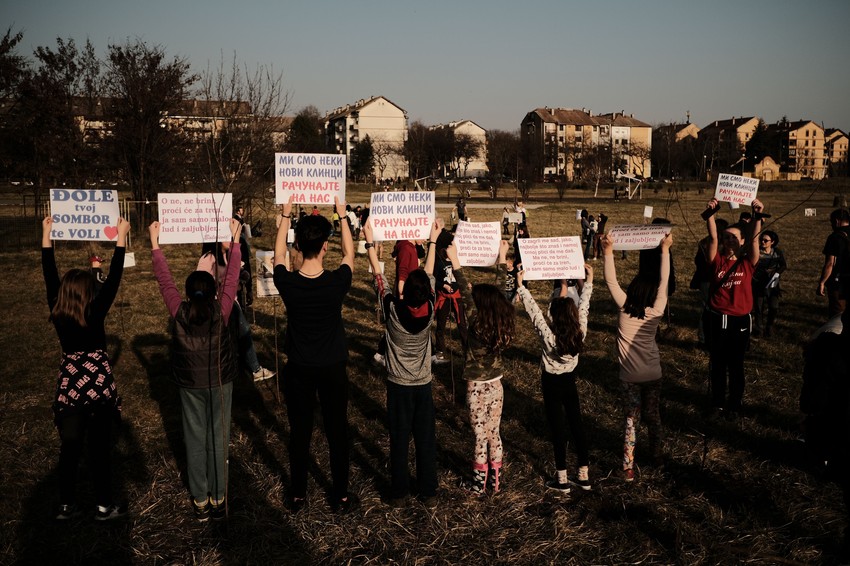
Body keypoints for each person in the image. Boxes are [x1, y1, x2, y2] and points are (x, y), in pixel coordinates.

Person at [150, 219, 242, 521]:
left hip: (190, 384)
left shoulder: (179, 311)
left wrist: (156, 245)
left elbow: (165, 282)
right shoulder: (222, 310)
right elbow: (232, 278)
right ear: (214, 291)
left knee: (194, 439)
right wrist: (236, 243)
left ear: (188, 294)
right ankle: (219, 497)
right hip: (220, 382)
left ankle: (200, 500)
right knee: (218, 439)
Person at [42, 215, 130, 521]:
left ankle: (66, 504)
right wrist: (120, 238)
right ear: (87, 293)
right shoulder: (96, 309)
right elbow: (115, 277)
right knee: (99, 449)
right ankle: (104, 506)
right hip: (98, 384)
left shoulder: (58, 309)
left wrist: (46, 237)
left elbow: (49, 275)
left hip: (71, 383)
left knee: (70, 447)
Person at [273, 196, 355, 513]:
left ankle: (298, 494)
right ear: (324, 248)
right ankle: (341, 496)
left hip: (299, 369)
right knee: (337, 431)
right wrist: (343, 216)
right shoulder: (336, 282)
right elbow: (349, 253)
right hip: (333, 367)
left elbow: (279, 254)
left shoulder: (288, 283)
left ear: (300, 247)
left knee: (300, 433)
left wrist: (284, 215)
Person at [364, 218, 440, 507]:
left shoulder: (392, 310)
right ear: (426, 295)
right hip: (423, 385)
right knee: (425, 439)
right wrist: (432, 241)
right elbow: (429, 274)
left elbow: (379, 279)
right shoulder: (431, 309)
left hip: (398, 385)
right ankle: (428, 491)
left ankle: (398, 492)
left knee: (398, 439)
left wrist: (370, 243)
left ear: (405, 292)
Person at [516, 264, 594, 492]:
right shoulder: (581, 331)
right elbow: (585, 306)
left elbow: (534, 314)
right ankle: (583, 474)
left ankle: (561, 478)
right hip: (569, 381)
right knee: (576, 424)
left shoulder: (550, 338)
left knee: (557, 428)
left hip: (550, 383)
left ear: (554, 317)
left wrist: (521, 287)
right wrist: (588, 282)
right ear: (573, 315)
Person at [445, 239, 514, 494]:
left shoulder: (474, 319)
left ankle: (477, 484)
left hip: (475, 387)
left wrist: (454, 259)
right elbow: (499, 290)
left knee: (479, 436)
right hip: (496, 384)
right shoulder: (499, 319)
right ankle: (494, 482)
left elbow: (463, 288)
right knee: (494, 433)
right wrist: (502, 256)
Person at [602, 232, 673, 481]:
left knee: (631, 421)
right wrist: (665, 250)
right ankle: (658, 458)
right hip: (654, 374)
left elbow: (611, 282)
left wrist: (608, 251)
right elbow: (664, 283)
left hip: (629, 377)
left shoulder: (624, 309)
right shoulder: (656, 311)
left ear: (631, 291)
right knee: (653, 417)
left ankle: (628, 467)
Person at [702, 197, 765, 418]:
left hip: (740, 320)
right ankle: (718, 403)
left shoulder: (748, 262)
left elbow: (756, 241)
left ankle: (735, 405)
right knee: (718, 363)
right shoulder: (717, 261)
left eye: (734, 237)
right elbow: (712, 236)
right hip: (718, 318)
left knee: (736, 365)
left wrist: (757, 215)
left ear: (742, 240)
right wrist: (710, 213)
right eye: (726, 237)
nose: (729, 240)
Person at [197, 246, 275, 382]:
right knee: (242, 331)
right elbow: (201, 282)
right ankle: (254, 369)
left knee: (239, 332)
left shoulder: (228, 255)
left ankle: (241, 367)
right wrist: (223, 282)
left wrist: (240, 275)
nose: (230, 239)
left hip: (231, 301)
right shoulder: (208, 258)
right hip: (217, 303)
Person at [432, 225, 466, 365]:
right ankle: (440, 350)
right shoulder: (439, 263)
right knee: (441, 324)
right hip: (444, 297)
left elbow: (460, 276)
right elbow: (435, 279)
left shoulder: (457, 261)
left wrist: (465, 284)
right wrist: (443, 285)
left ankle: (466, 350)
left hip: (457, 296)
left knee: (462, 324)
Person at [752, 230, 786, 337]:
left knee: (773, 307)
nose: (763, 242)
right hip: (758, 284)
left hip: (773, 284)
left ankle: (769, 326)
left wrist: (776, 273)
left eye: (766, 240)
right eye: (761, 240)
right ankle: (759, 329)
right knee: (758, 307)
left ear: (772, 242)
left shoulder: (777, 252)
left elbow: (783, 265)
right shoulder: (756, 252)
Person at [818, 208, 850, 318]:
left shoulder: (834, 237)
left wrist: (822, 282)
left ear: (836, 221)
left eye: (831, 222)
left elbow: (830, 264)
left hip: (838, 283)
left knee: (838, 316)